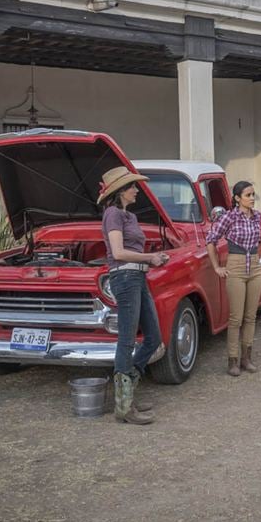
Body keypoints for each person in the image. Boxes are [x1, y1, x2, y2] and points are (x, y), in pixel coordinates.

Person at [100, 166, 168, 425]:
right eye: (132, 187)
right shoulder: (112, 214)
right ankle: (124, 406)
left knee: (153, 338)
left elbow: (131, 252)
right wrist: (149, 257)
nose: (136, 190)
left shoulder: (129, 216)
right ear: (120, 191)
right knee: (127, 340)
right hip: (125, 277)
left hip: (137, 276)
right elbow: (117, 252)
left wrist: (152, 260)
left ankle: (127, 393)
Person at [206, 181, 261, 377]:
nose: (252, 198)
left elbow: (258, 241)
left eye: (253, 194)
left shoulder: (257, 217)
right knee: (236, 317)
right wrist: (216, 267)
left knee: (251, 316)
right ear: (237, 198)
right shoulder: (229, 217)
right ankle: (232, 360)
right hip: (236, 266)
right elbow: (211, 240)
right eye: (248, 195)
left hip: (254, 265)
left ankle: (247, 358)